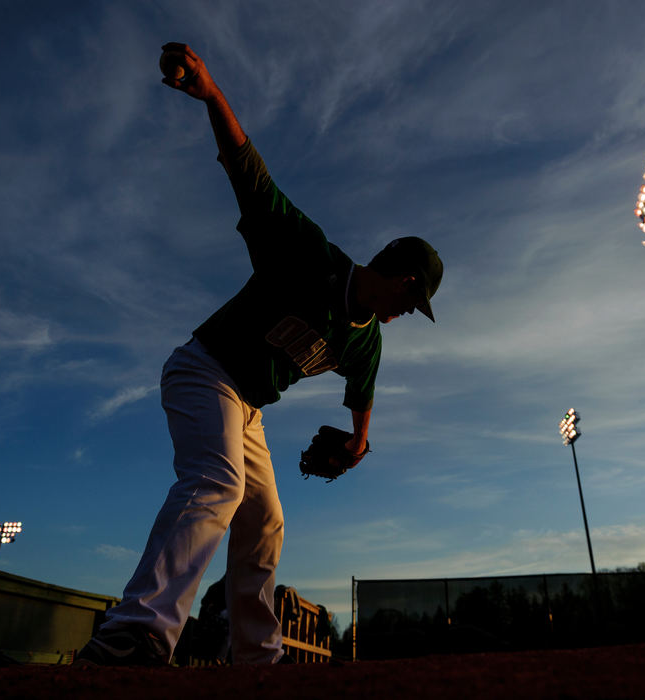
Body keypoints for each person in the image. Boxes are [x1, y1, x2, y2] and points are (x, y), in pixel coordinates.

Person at [75, 43, 443, 667]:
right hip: (203, 370)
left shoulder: (367, 339)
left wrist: (358, 444)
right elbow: (250, 172)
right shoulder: (307, 254)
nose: (412, 309)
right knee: (217, 482)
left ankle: (256, 656)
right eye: (415, 295)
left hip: (246, 405)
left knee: (265, 519)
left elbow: (363, 398)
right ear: (400, 274)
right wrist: (212, 93)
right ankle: (134, 630)